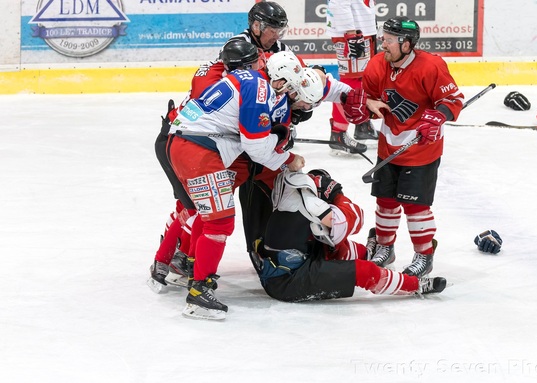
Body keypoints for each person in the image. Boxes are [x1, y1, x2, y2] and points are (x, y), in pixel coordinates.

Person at [166, 51, 311, 320]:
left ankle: (192, 271)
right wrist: (287, 158)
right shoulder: (260, 88)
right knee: (220, 222)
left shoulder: (250, 79)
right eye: (288, 84)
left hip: (189, 144)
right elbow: (255, 147)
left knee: (210, 217)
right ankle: (199, 292)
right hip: (200, 149)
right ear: (279, 79)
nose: (289, 91)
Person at [344, 17, 465, 277]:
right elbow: (371, 97)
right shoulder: (377, 64)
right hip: (389, 145)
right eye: (383, 38)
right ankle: (385, 248)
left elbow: (453, 99)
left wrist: (438, 115)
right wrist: (367, 106)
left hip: (422, 149)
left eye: (388, 40)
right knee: (385, 201)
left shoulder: (431, 66)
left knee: (415, 206)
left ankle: (424, 254)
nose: (382, 44)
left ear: (407, 44)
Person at [148, 40, 265, 293]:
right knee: (192, 208)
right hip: (185, 142)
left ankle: (178, 260)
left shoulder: (224, 71)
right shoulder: (221, 80)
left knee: (200, 209)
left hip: (190, 142)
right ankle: (170, 259)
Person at [250, 169, 447, 302]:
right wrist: (337, 195)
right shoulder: (311, 204)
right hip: (288, 281)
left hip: (286, 268)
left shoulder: (287, 194)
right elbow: (353, 220)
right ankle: (415, 285)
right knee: (363, 270)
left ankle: (369, 253)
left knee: (333, 246)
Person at [326, 0, 378, 155]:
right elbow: (339, 2)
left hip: (361, 30)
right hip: (352, 34)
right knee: (351, 83)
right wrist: (351, 34)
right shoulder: (351, 34)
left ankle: (362, 124)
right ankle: (338, 133)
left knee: (363, 80)